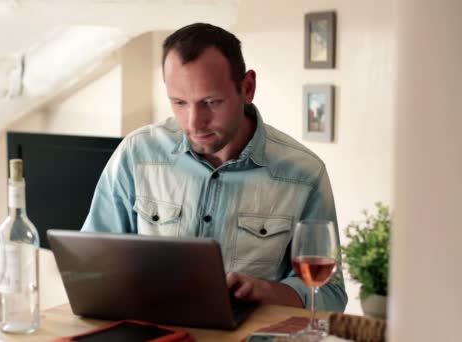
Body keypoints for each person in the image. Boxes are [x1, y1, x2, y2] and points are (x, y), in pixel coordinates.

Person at [81, 23, 347, 312]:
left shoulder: (304, 174)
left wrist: (267, 291)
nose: (194, 122)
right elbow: (90, 265)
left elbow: (330, 296)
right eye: (179, 102)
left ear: (247, 88)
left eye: (210, 102)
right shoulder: (137, 154)